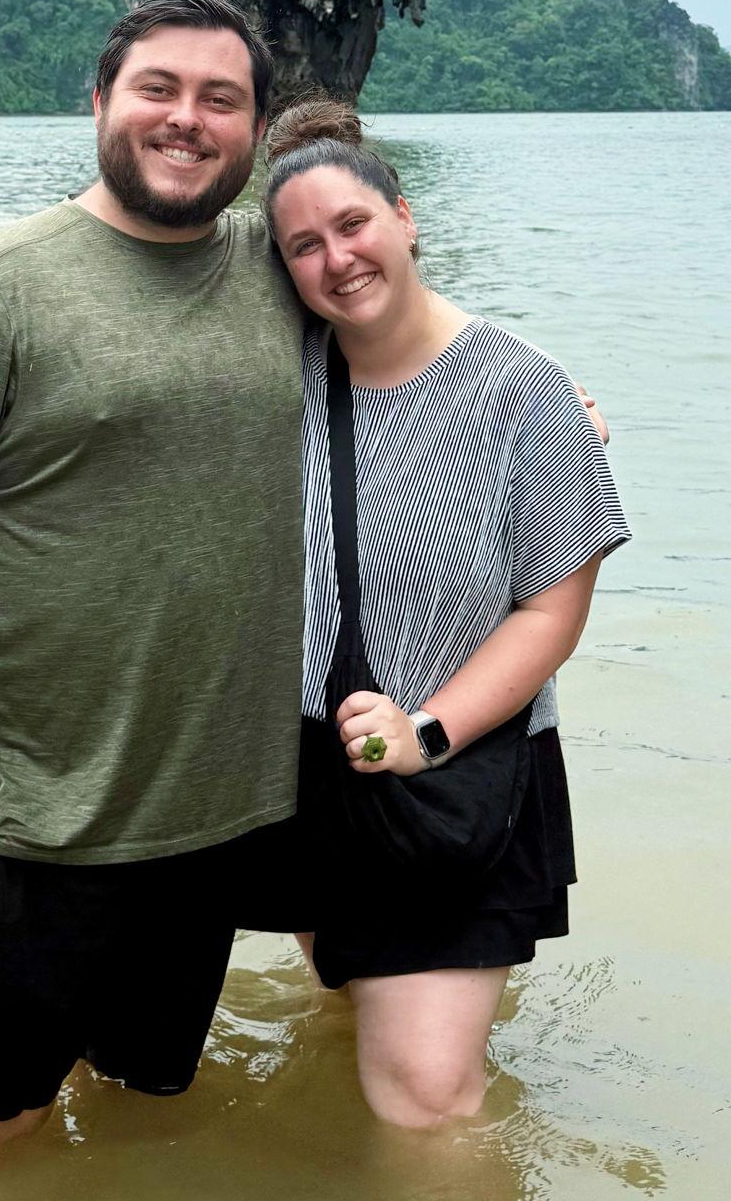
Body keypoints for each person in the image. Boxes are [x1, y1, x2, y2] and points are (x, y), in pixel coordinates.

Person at [0, 0, 306, 1146]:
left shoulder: (279, 266)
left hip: (203, 822)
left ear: (256, 129)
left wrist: (552, 406)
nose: (186, 119)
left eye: (220, 98)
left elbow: (414, 332)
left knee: (147, 1109)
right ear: (100, 101)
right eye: (158, 89)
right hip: (31, 824)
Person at [251, 99, 630, 1130]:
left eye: (354, 225)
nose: (336, 259)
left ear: (406, 217)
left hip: (453, 765)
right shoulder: (268, 375)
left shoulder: (527, 393)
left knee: (423, 1096)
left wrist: (423, 732)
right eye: (302, 246)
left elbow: (552, 608)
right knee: (341, 998)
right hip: (310, 765)